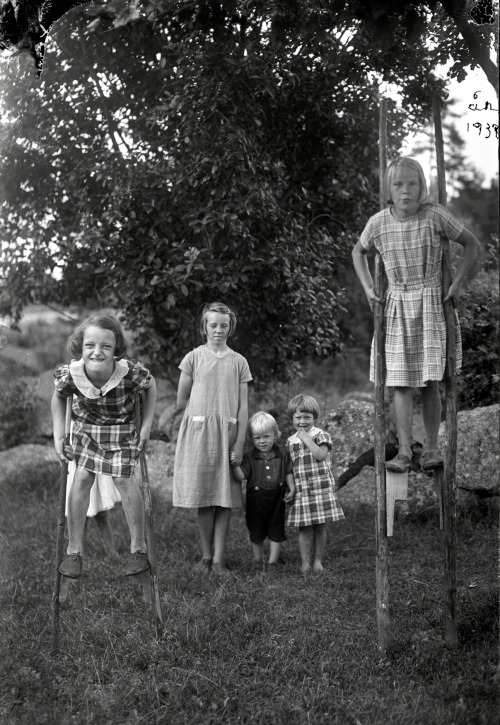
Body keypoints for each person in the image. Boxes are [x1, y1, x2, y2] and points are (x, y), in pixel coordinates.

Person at [351, 156, 480, 473]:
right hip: (397, 306)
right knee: (399, 383)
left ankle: (432, 450)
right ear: (389, 189)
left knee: (430, 382)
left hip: (431, 304)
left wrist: (457, 284)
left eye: (412, 184)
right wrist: (369, 288)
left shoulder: (434, 215)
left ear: (421, 186)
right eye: (398, 185)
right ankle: (406, 451)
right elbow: (358, 251)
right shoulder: (379, 222)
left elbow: (471, 244)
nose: (405, 191)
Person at [51, 313, 157, 579]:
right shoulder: (72, 375)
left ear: (115, 349)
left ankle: (138, 548)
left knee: (124, 480)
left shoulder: (129, 372)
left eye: (105, 346)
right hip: (87, 430)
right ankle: (74, 550)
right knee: (83, 477)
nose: (97, 352)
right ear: (80, 346)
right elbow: (58, 400)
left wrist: (146, 426)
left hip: (121, 429)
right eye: (90, 345)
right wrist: (58, 437)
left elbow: (150, 385)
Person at [168, 302, 252, 576]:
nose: (218, 330)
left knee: (224, 498)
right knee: (205, 497)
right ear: (204, 327)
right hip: (199, 435)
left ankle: (219, 559)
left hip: (227, 435)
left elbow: (242, 406)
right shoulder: (193, 358)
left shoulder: (238, 361)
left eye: (224, 325)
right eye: (213, 325)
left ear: (231, 328)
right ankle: (206, 556)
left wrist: (239, 442)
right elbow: (182, 400)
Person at [286, 394, 344, 575]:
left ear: (314, 417)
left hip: (321, 489)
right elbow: (289, 469)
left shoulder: (321, 435)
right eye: (298, 417)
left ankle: (318, 561)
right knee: (304, 528)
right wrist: (292, 488)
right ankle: (305, 563)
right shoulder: (290, 441)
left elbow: (320, 455)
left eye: (307, 417)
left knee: (320, 526)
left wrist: (306, 438)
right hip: (303, 490)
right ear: (292, 419)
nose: (302, 421)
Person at [231, 412, 295, 574]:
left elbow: (288, 472)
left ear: (275, 434)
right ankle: (258, 559)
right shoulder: (249, 457)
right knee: (256, 529)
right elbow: (240, 477)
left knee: (276, 528)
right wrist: (234, 465)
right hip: (255, 500)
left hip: (277, 498)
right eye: (257, 438)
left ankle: (273, 562)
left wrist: (292, 488)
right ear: (251, 439)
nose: (262, 441)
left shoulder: (282, 453)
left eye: (266, 436)